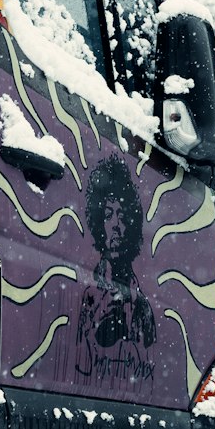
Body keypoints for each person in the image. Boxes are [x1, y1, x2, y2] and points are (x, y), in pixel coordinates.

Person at [76, 154, 156, 386]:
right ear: (98, 221)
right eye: (109, 215)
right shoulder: (89, 295)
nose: (116, 225)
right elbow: (81, 365)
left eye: (122, 215)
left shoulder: (142, 303)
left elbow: (147, 367)